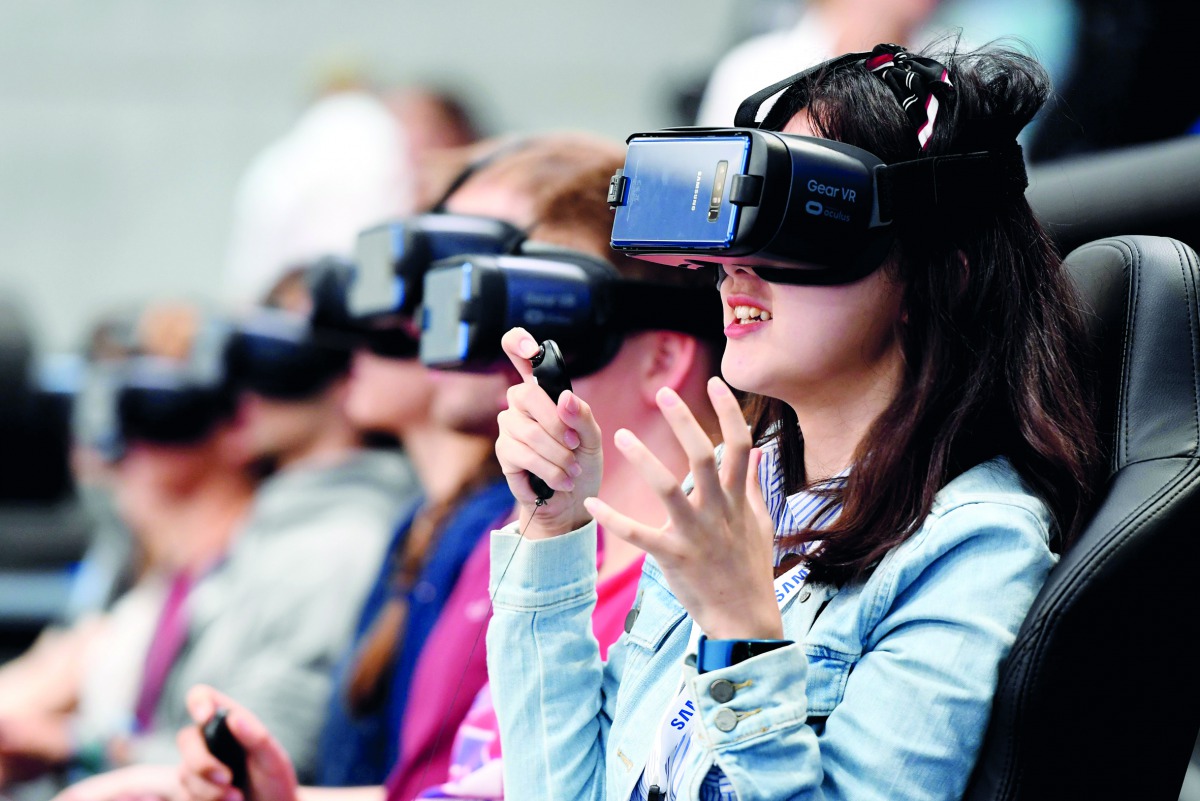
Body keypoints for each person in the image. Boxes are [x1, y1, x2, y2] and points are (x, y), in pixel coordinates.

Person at [483, 42, 1099, 800]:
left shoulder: (973, 544)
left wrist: (740, 627)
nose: (735, 265)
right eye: (738, 221)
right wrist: (555, 525)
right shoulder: (745, 488)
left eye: (797, 221)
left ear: (938, 274)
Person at [173, 134, 724, 801]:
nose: (495, 330)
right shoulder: (537, 547)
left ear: (663, 355)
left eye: (540, 302)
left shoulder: (670, 587)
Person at [49, 278, 413, 800]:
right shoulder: (273, 521)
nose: (243, 390)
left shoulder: (338, 542)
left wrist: (82, 747)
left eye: (278, 361)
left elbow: (256, 752)